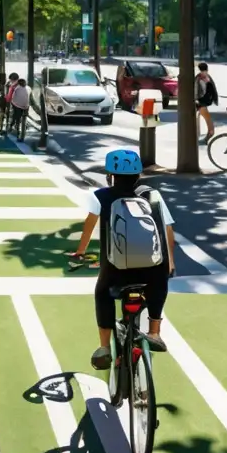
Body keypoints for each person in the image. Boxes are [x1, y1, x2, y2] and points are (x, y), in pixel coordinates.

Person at [68, 149, 176, 370]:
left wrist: (80, 252)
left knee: (102, 292)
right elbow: (167, 232)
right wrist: (170, 262)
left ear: (111, 175)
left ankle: (104, 347)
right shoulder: (152, 196)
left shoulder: (101, 196)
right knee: (159, 281)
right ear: (138, 175)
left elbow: (88, 229)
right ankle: (154, 332)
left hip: (116, 269)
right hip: (152, 268)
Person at [195, 62, 217, 140]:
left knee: (206, 117)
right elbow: (213, 88)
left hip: (201, 100)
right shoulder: (207, 76)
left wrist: (196, 99)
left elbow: (197, 90)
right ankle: (210, 132)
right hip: (205, 100)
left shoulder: (200, 77)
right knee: (206, 116)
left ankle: (211, 132)